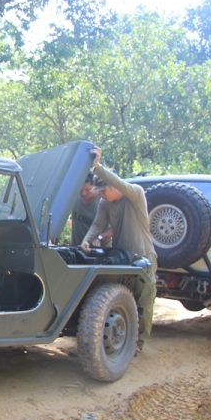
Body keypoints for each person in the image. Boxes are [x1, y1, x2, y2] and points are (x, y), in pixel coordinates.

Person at [80, 147, 157, 354]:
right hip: (121, 258)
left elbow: (122, 184)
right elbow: (97, 225)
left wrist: (97, 167)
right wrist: (87, 240)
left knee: (144, 300)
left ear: (113, 186)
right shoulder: (105, 204)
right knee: (123, 299)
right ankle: (126, 339)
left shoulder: (135, 195)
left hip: (143, 256)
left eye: (104, 190)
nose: (101, 195)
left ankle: (139, 343)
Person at [71, 171, 112, 247]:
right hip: (76, 249)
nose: (83, 193)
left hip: (99, 251)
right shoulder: (74, 197)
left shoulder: (105, 200)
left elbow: (114, 228)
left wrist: (100, 238)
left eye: (87, 190)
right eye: (80, 190)